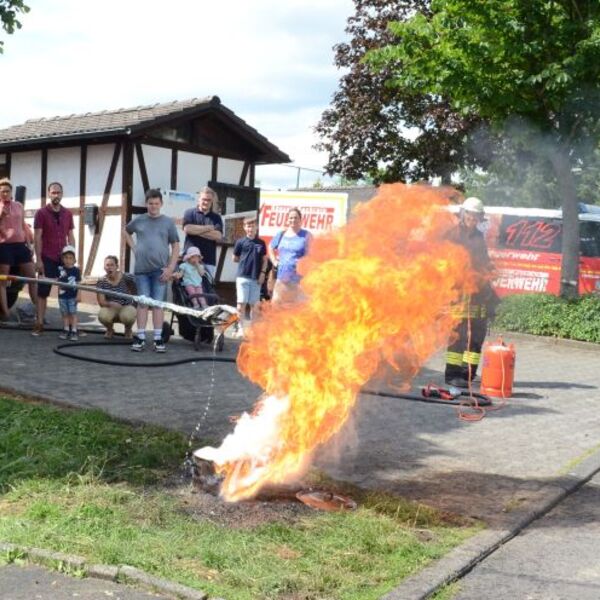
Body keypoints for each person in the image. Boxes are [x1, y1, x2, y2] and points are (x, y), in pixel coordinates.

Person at [445, 197, 496, 388]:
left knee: (477, 335)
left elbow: (483, 260)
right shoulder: (452, 234)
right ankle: (452, 374)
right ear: (463, 214)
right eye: (470, 216)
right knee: (458, 335)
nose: (472, 220)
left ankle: (468, 374)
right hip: (458, 293)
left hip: (478, 293)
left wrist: (489, 270)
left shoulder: (478, 237)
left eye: (476, 217)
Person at [124, 188, 179, 353]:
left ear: (161, 204)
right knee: (142, 303)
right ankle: (140, 337)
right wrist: (134, 248)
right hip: (141, 270)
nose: (153, 206)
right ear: (146, 204)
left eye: (156, 203)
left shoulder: (168, 222)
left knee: (157, 305)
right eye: (150, 203)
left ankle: (157, 338)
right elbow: (126, 231)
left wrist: (170, 268)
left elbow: (176, 246)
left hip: (160, 271)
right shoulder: (139, 220)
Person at [32, 181, 75, 336]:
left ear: (62, 194)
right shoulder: (41, 213)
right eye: (53, 192)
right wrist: (38, 259)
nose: (56, 195)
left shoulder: (68, 213)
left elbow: (70, 236)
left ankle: (70, 326)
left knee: (67, 293)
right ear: (49, 194)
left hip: (64, 258)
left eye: (59, 192)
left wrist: (73, 256)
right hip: (47, 257)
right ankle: (39, 323)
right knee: (43, 292)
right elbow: (37, 237)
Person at [0, 178, 38, 320]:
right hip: (4, 246)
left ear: (11, 192)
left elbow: (23, 226)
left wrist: (29, 244)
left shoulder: (19, 206)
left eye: (7, 191)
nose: (4, 194)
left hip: (20, 245)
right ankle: (6, 313)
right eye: (2, 192)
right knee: (2, 281)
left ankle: (39, 312)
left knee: (32, 278)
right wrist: (2, 215)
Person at [268, 207, 312, 305]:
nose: (293, 220)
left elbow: (311, 255)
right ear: (287, 220)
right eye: (291, 218)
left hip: (298, 280)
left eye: (296, 218)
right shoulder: (281, 234)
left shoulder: (306, 235)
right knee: (275, 305)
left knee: (297, 309)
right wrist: (274, 261)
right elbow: (270, 247)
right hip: (282, 278)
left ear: (300, 220)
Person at [232, 216, 267, 334]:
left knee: (254, 306)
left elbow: (265, 260)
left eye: (252, 226)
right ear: (244, 227)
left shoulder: (261, 243)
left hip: (256, 279)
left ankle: (253, 330)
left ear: (256, 227)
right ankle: (240, 328)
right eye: (248, 226)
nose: (250, 228)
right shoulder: (240, 242)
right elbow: (235, 258)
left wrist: (262, 273)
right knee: (241, 304)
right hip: (242, 277)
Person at [182, 186, 223, 279]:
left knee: (206, 291)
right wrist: (208, 228)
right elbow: (187, 229)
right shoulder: (189, 213)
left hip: (209, 261)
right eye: (204, 199)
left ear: (212, 201)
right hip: (190, 261)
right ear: (198, 199)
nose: (206, 202)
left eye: (209, 200)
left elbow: (218, 235)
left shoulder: (216, 217)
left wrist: (196, 231)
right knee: (190, 289)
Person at [96, 255, 137, 339]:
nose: (109, 267)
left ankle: (128, 329)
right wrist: (110, 303)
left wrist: (134, 306)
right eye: (107, 265)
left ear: (117, 266)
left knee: (127, 316)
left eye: (112, 265)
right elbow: (101, 301)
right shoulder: (101, 281)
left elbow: (136, 291)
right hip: (111, 307)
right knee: (102, 315)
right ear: (104, 267)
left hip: (126, 306)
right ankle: (110, 329)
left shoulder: (127, 277)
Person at [56, 245, 81, 340]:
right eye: (66, 257)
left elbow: (79, 283)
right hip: (62, 296)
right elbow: (56, 280)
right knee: (64, 313)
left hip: (72, 296)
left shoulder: (76, 270)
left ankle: (74, 330)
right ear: (62, 258)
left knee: (73, 313)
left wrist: (79, 295)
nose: (68, 260)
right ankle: (66, 329)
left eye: (70, 258)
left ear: (74, 260)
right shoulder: (60, 269)